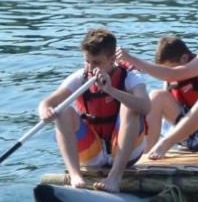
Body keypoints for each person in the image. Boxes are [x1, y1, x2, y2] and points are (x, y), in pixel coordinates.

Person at [38, 27, 150, 192]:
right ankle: (75, 175)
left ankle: (115, 177)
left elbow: (146, 106)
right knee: (62, 112)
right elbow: (47, 102)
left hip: (126, 152)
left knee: (130, 106)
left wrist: (111, 90)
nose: (90, 68)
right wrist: (45, 111)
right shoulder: (80, 77)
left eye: (96, 62)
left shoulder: (131, 76)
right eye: (87, 61)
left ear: (112, 59)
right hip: (93, 152)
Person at [117, 37, 198, 160]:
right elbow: (169, 77)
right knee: (157, 95)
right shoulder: (169, 78)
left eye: (169, 69)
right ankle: (146, 152)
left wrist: (130, 58)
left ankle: (165, 143)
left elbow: (173, 74)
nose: (167, 77)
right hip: (190, 136)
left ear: (184, 58)